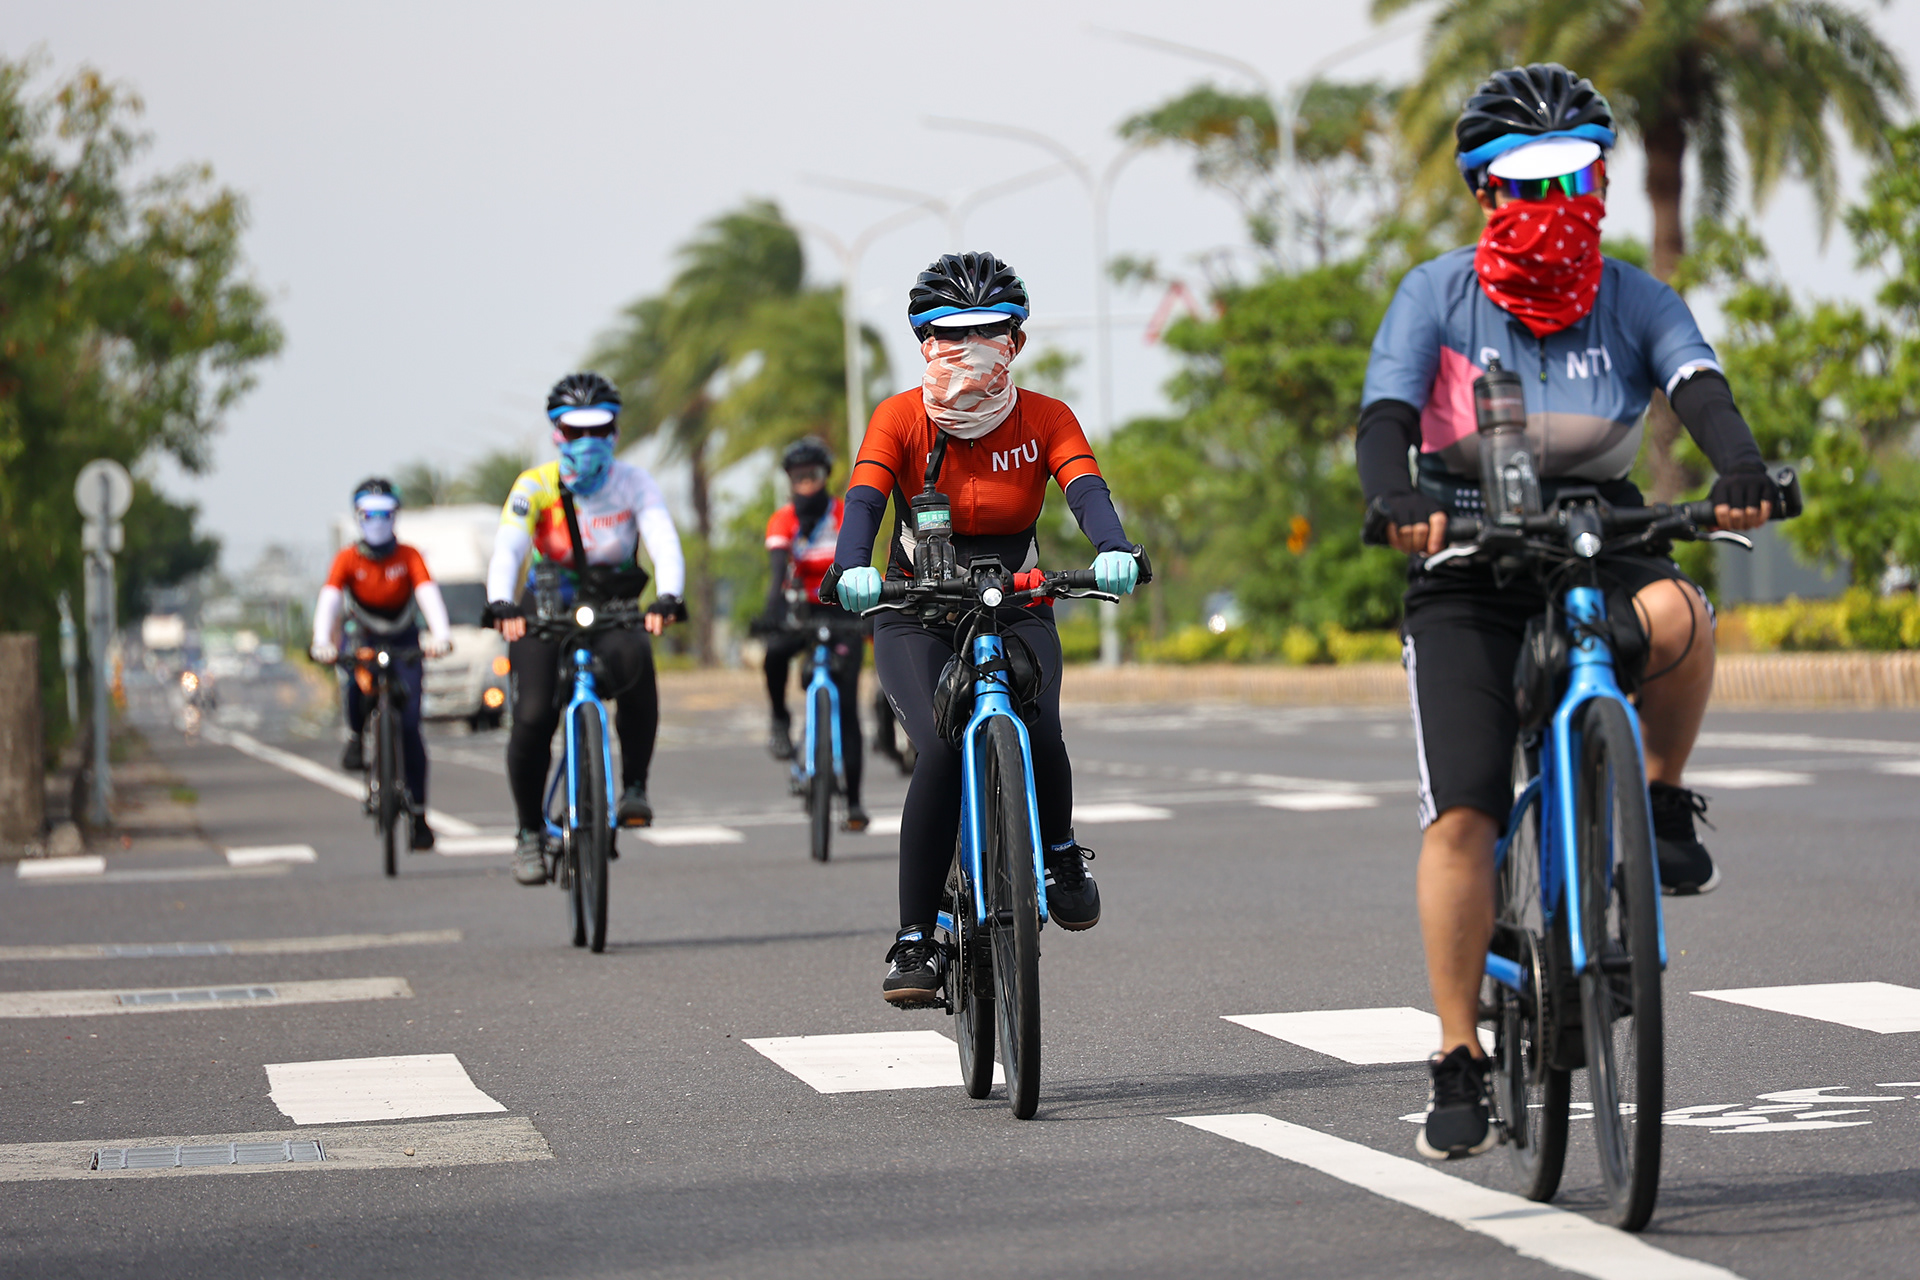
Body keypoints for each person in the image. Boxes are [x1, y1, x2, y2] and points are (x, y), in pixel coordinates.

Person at [1358, 64, 1778, 1160]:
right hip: (1466, 554)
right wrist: (1394, 496)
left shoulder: (1634, 294)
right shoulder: (1435, 294)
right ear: (1482, 192)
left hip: (1601, 530)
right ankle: (1458, 1049)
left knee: (1682, 612)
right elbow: (1386, 415)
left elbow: (1700, 388)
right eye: (1524, 182)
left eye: (1575, 176)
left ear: (1600, 181)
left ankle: (1663, 798)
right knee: (1465, 814)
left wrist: (1739, 466)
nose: (1553, 206)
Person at [821, 252, 1150, 1006]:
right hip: (916, 609)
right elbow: (866, 503)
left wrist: (1114, 550)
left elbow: (1086, 490)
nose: (969, 350)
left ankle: (1061, 855)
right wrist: (851, 566)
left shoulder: (1046, 417)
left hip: (1016, 594)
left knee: (1039, 727)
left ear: (1017, 342)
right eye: (950, 334)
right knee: (938, 746)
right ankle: (915, 939)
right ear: (923, 342)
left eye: (989, 332)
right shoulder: (898, 418)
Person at [482, 373, 688, 887]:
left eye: (600, 430)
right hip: (545, 605)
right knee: (531, 715)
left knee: (637, 665)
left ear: (616, 432)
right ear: (556, 433)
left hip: (614, 603)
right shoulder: (534, 486)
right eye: (575, 431)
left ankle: (634, 787)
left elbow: (662, 539)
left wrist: (668, 596)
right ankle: (529, 833)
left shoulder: (634, 483)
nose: (588, 442)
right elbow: (509, 546)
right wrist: (502, 602)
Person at [311, 478, 454, 851]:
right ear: (358, 517)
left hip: (404, 639)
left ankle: (420, 814)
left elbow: (428, 594)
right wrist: (322, 641)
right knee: (355, 685)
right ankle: (356, 737)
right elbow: (329, 599)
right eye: (369, 514)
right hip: (366, 639)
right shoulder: (348, 558)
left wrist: (441, 635)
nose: (378, 521)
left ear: (396, 516)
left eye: (386, 514)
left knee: (410, 727)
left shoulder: (409, 556)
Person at [758, 435, 870, 831]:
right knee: (773, 654)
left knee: (850, 708)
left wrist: (867, 616)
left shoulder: (843, 515)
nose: (807, 484)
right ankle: (778, 719)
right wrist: (772, 608)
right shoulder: (783, 519)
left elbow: (858, 563)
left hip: (843, 611)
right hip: (801, 611)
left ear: (825, 477)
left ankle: (854, 804)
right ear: (790, 480)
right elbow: (776, 573)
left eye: (815, 475)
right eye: (799, 477)